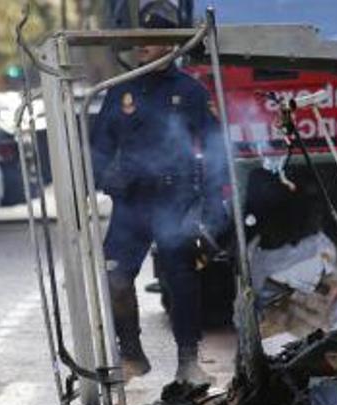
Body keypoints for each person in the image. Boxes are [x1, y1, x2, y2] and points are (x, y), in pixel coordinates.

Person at [90, 0, 228, 385]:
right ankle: (131, 352)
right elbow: (98, 145)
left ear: (170, 44)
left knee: (181, 280)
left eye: (151, 39)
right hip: (132, 203)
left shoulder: (191, 92)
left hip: (176, 199)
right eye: (139, 40)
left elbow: (216, 146)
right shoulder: (121, 92)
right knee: (114, 276)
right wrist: (105, 178)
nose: (141, 47)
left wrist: (213, 204)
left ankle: (188, 361)